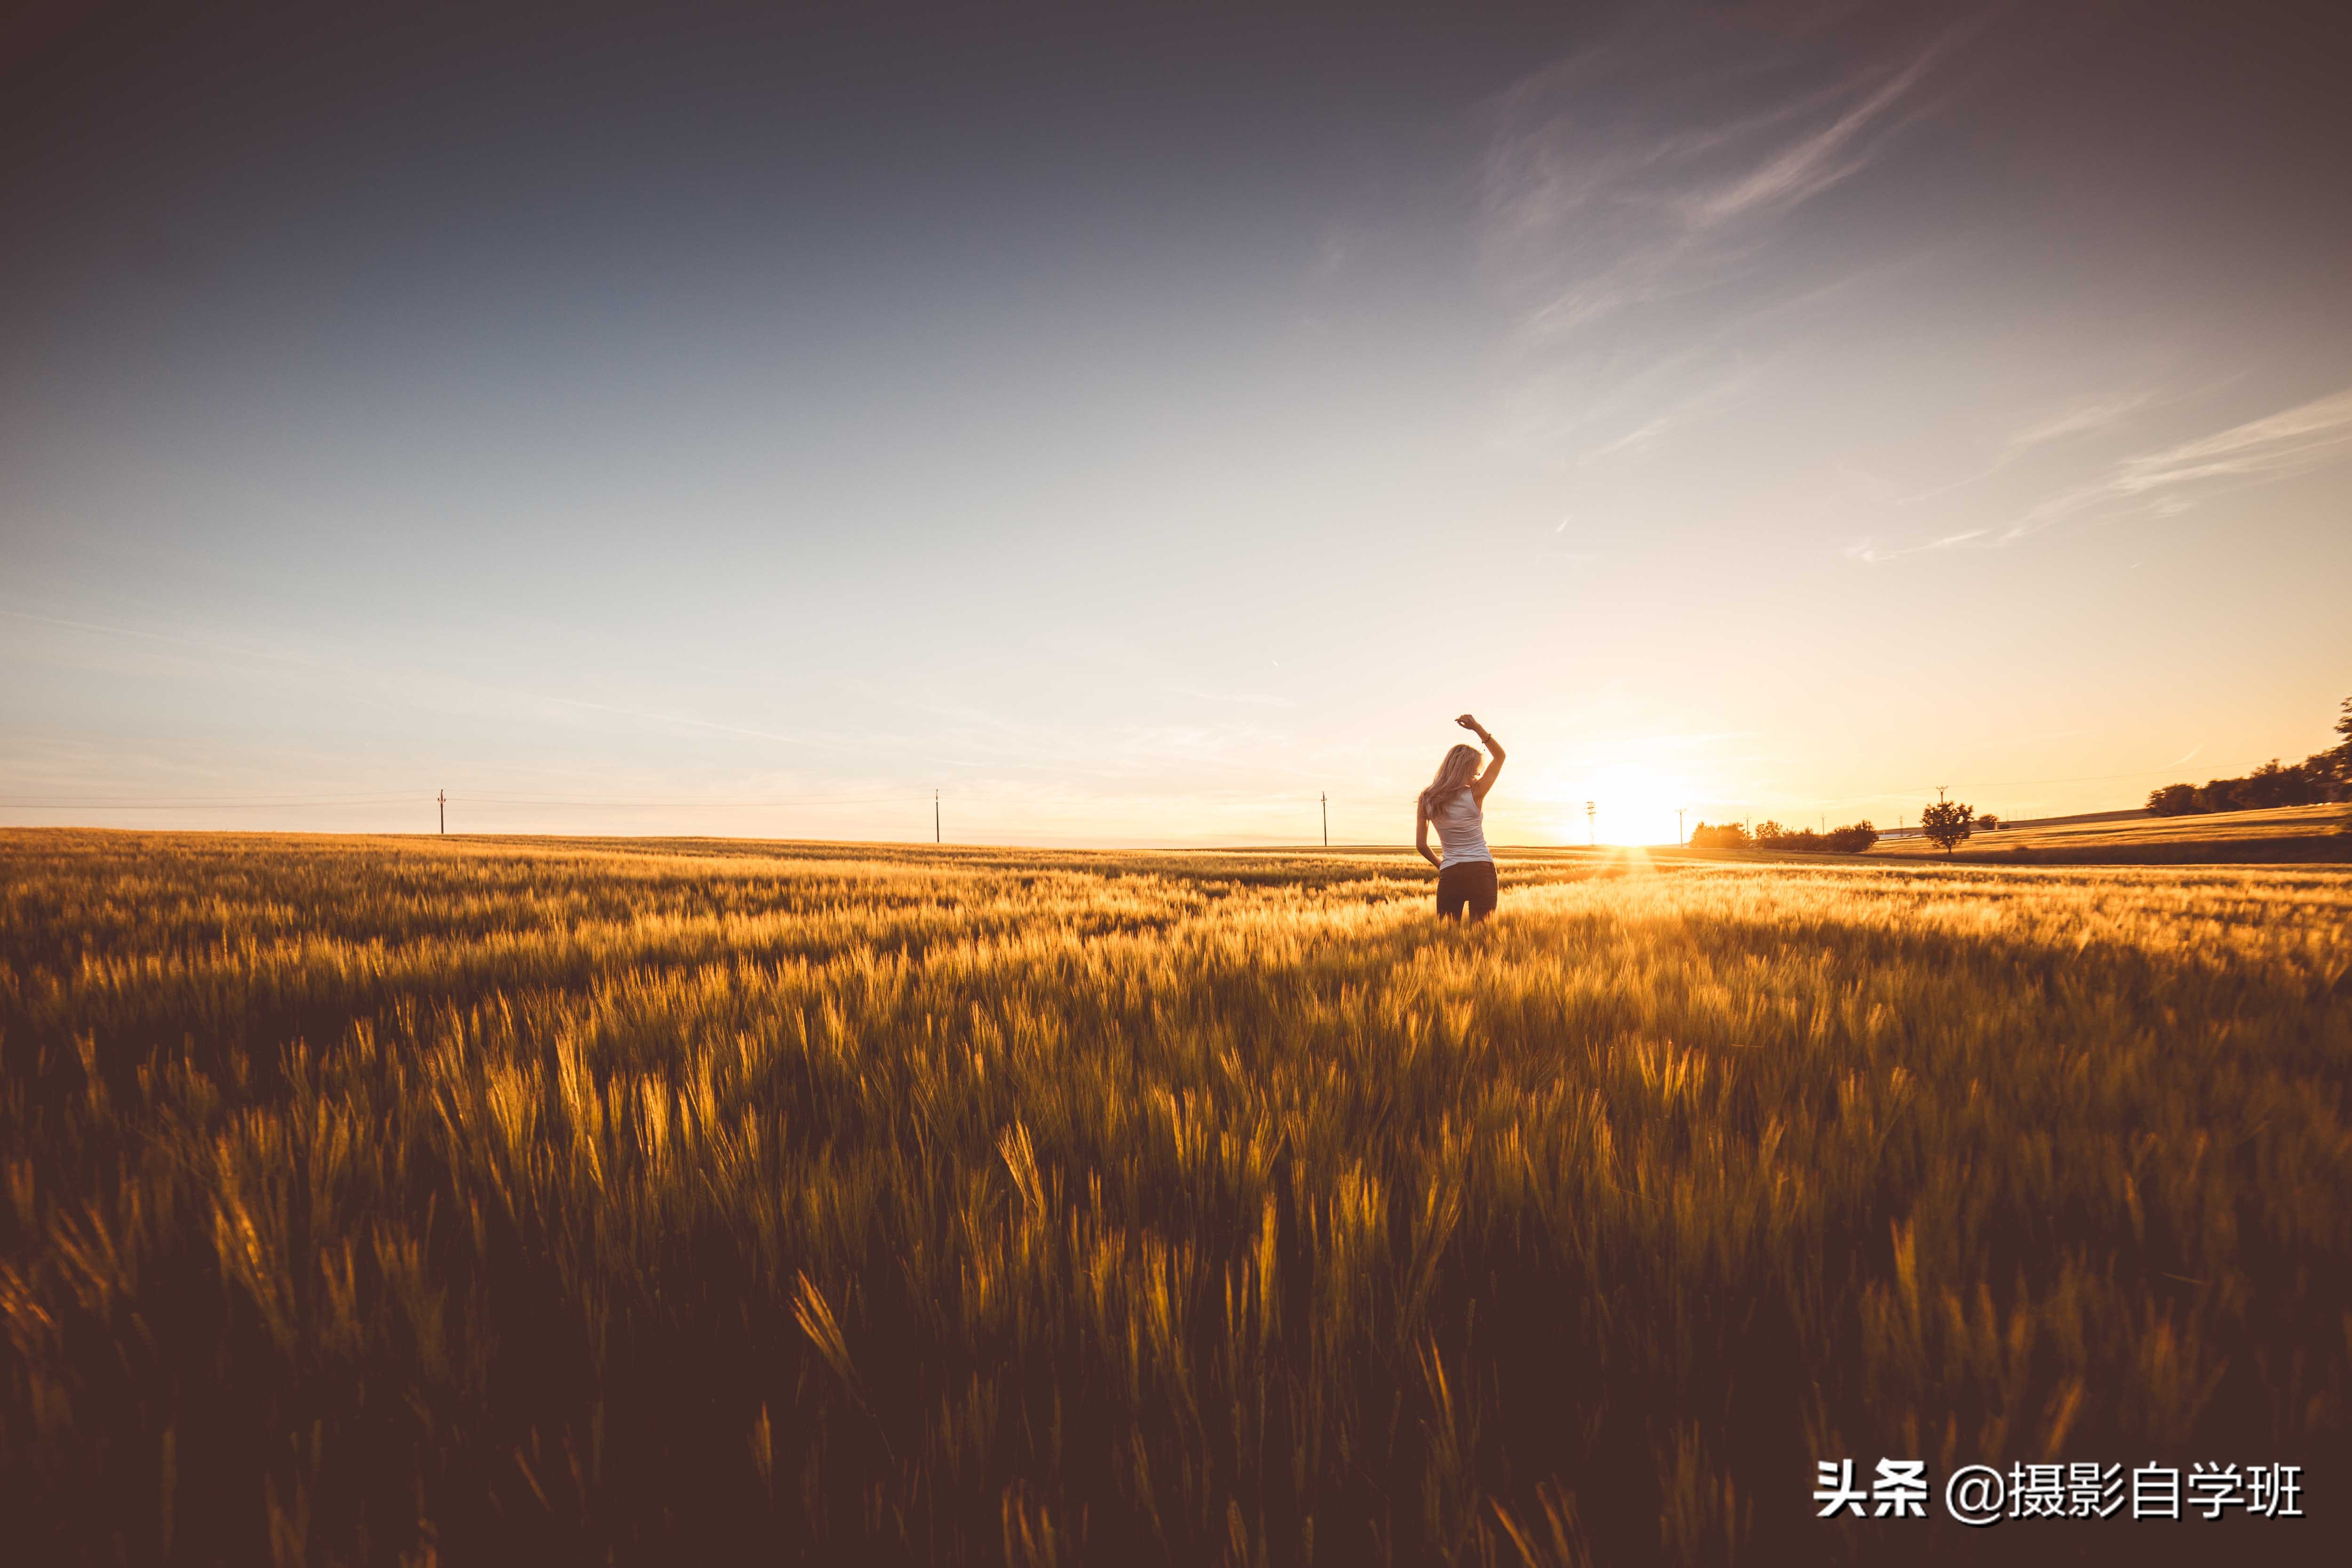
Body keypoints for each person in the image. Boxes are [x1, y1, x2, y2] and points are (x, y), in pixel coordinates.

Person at [1416, 714, 1503, 920]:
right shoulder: (1476, 793)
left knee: (1447, 938)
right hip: (1482, 871)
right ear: (1467, 770)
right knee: (1481, 940)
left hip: (1450, 874)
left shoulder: (1427, 799)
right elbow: (1500, 757)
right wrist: (1478, 728)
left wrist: (1444, 865)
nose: (1477, 777)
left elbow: (1421, 845)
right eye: (1476, 772)